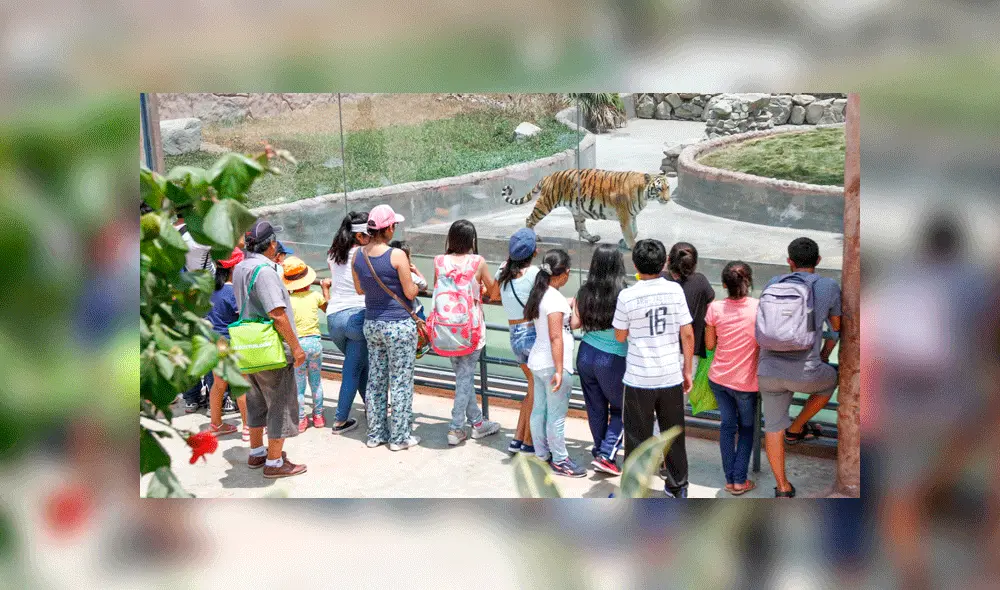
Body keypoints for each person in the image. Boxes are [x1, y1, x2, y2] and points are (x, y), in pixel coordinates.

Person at [757, 237, 841, 498]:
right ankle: (797, 428)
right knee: (832, 380)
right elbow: (837, 327)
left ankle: (782, 488)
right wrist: (825, 352)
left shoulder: (773, 283)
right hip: (807, 372)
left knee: (772, 427)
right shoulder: (828, 285)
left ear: (789, 262)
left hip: (768, 372)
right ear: (818, 261)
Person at [614, 239, 694, 497]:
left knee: (637, 439)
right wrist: (687, 370)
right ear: (664, 263)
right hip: (670, 374)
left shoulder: (627, 295)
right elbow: (688, 333)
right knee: (673, 436)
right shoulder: (675, 291)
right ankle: (678, 487)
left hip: (639, 378)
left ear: (635, 264)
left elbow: (620, 336)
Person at [232, 220, 307, 478]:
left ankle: (257, 453)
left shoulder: (241, 267)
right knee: (280, 404)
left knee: (256, 401)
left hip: (248, 346)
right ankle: (274, 463)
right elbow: (277, 313)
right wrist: (296, 349)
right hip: (271, 347)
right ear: (272, 243)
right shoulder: (264, 271)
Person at [352, 204, 422, 451]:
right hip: (399, 326)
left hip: (372, 324)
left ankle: (376, 434)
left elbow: (360, 289)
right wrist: (418, 281)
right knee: (401, 381)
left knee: (376, 380)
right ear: (389, 228)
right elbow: (410, 291)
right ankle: (400, 437)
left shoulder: (357, 255)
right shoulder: (397, 255)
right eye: (395, 225)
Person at [431, 220, 502, 446]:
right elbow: (494, 291)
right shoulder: (477, 262)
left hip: (446, 329)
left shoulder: (439, 261)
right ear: (472, 240)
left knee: (464, 377)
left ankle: (479, 423)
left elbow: (438, 288)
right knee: (465, 377)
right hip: (470, 329)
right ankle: (456, 428)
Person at [524, 248, 585, 477]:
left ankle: (542, 453)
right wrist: (560, 370)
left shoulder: (540, 293)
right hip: (553, 365)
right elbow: (556, 336)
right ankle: (560, 460)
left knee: (539, 410)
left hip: (537, 361)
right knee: (556, 416)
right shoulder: (556, 300)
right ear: (565, 273)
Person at [570, 244, 627, 476]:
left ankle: (600, 450)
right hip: (612, 359)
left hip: (585, 354)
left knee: (595, 407)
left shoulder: (584, 291)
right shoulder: (623, 292)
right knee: (626, 409)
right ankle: (607, 455)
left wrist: (574, 303)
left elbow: (575, 324)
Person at [704, 261, 760, 495]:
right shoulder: (759, 308)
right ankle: (739, 480)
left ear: (724, 285)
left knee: (727, 427)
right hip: (746, 383)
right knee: (746, 429)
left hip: (718, 379)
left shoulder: (714, 308)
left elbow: (709, 345)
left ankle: (730, 478)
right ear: (749, 283)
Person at [495, 228, 539, 454]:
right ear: (534, 252)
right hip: (531, 332)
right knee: (537, 390)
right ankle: (529, 443)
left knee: (532, 388)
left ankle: (517, 439)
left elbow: (493, 294)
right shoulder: (535, 274)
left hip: (514, 334)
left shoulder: (502, 271)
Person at [325, 212, 370, 434]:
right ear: (361, 235)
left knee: (359, 365)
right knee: (353, 370)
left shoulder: (333, 253)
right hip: (357, 316)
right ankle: (340, 419)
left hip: (333, 318)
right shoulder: (363, 254)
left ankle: (372, 406)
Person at [282, 256, 331, 432]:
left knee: (299, 385)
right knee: (316, 382)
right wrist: (325, 289)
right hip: (315, 344)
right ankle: (318, 416)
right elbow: (328, 309)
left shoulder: (288, 301)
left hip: (298, 346)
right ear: (308, 282)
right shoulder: (315, 295)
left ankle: (302, 419)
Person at [205, 248, 250, 440]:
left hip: (214, 341)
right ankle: (249, 427)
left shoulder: (210, 290)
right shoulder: (234, 292)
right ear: (235, 268)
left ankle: (216, 424)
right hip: (232, 341)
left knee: (218, 384)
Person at [664, 242, 714, 379]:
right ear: (694, 263)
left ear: (669, 260)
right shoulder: (701, 281)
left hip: (661, 351)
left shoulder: (661, 281)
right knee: (680, 399)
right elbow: (712, 310)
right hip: (689, 354)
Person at [390, 239, 427, 319]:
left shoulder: (388, 275)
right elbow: (424, 286)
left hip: (396, 313)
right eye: (410, 256)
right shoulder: (410, 275)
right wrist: (416, 270)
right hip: (414, 312)